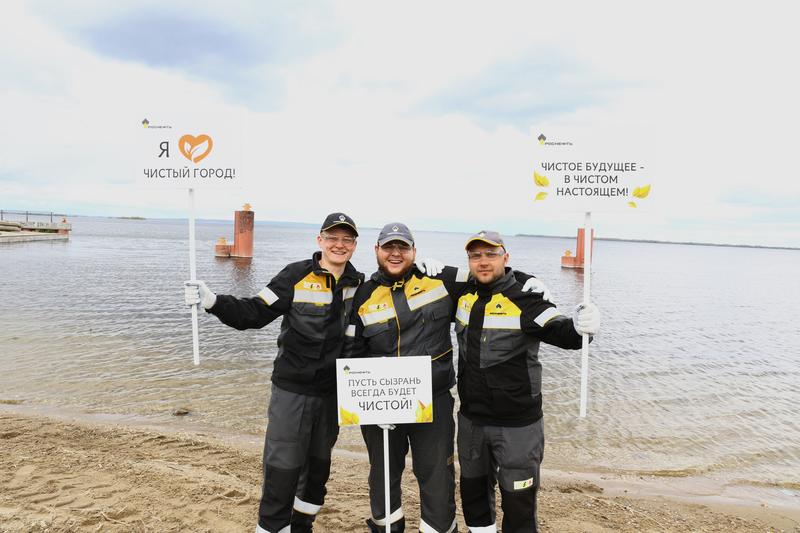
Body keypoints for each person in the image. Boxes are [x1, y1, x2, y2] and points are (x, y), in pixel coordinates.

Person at [343, 223, 546, 533]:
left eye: (403, 247)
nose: (395, 253)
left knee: (438, 475)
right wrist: (362, 404)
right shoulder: (363, 293)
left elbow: (489, 274)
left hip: (432, 401)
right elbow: (351, 352)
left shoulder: (442, 280)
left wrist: (528, 281)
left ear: (414, 251)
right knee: (382, 475)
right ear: (377, 251)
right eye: (388, 247)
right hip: (380, 404)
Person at [184, 213, 363, 533]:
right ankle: (271, 527)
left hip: (334, 395)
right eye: (332, 238)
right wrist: (213, 301)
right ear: (320, 240)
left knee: (318, 470)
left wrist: (426, 271)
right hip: (292, 392)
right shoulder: (294, 275)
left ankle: (302, 526)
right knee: (283, 468)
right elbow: (253, 313)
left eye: (346, 239)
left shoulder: (361, 285)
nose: (339, 244)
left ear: (354, 245)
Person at [454, 231, 600, 533]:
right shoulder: (463, 293)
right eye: (475, 256)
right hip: (471, 421)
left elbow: (564, 334)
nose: (483, 262)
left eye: (491, 254)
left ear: (505, 258)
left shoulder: (526, 298)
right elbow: (430, 280)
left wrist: (583, 327)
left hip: (518, 425)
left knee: (518, 502)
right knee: (473, 495)